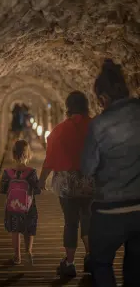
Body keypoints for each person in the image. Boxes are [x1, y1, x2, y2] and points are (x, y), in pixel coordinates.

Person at [81, 59, 140, 287]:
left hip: (108, 211)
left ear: (103, 98)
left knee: (101, 263)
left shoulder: (98, 125)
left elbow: (87, 168)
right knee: (136, 272)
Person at [38, 91, 93, 277]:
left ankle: (69, 264)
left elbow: (50, 158)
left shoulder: (60, 130)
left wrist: (41, 180)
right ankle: (90, 258)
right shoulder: (94, 127)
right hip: (90, 183)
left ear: (68, 108)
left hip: (67, 184)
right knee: (88, 219)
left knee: (71, 223)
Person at [0, 140, 41, 265]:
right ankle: (28, 251)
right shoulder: (31, 172)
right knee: (28, 228)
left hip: (13, 206)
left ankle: (17, 256)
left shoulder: (7, 173)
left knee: (15, 230)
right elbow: (37, 190)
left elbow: (2, 190)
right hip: (29, 206)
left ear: (13, 154)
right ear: (28, 154)